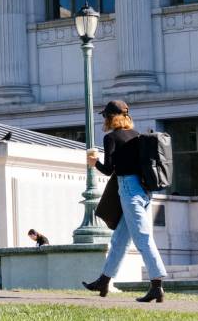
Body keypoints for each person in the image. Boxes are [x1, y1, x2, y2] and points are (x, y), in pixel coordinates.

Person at [82, 100, 166, 303]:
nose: (104, 120)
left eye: (104, 116)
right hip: (144, 190)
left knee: (142, 238)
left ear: (111, 117)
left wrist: (94, 163)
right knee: (120, 239)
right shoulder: (137, 136)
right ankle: (104, 281)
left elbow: (110, 170)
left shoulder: (111, 138)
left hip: (128, 190)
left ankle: (157, 285)